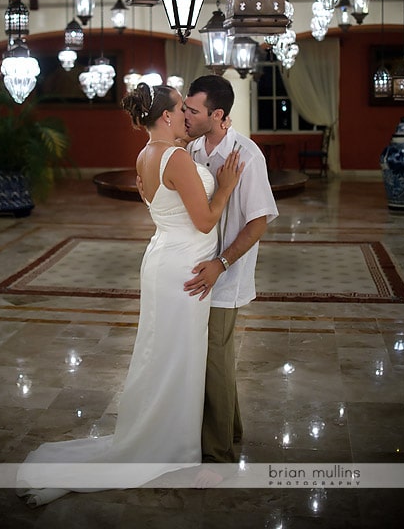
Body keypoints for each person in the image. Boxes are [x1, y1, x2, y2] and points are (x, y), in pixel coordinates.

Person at [17, 82, 243, 506]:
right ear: (167, 117)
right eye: (181, 108)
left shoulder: (146, 154)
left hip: (164, 258)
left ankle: (164, 434)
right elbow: (204, 221)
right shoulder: (175, 157)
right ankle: (166, 443)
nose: (187, 115)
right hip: (184, 268)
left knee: (164, 353)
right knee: (176, 354)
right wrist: (226, 186)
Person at [182, 74, 279, 464]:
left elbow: (259, 221)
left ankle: (218, 452)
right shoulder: (191, 150)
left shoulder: (247, 156)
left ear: (218, 114)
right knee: (208, 357)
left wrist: (221, 264)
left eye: (192, 110)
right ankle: (232, 429)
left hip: (223, 274)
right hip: (193, 269)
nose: (185, 114)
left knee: (216, 359)